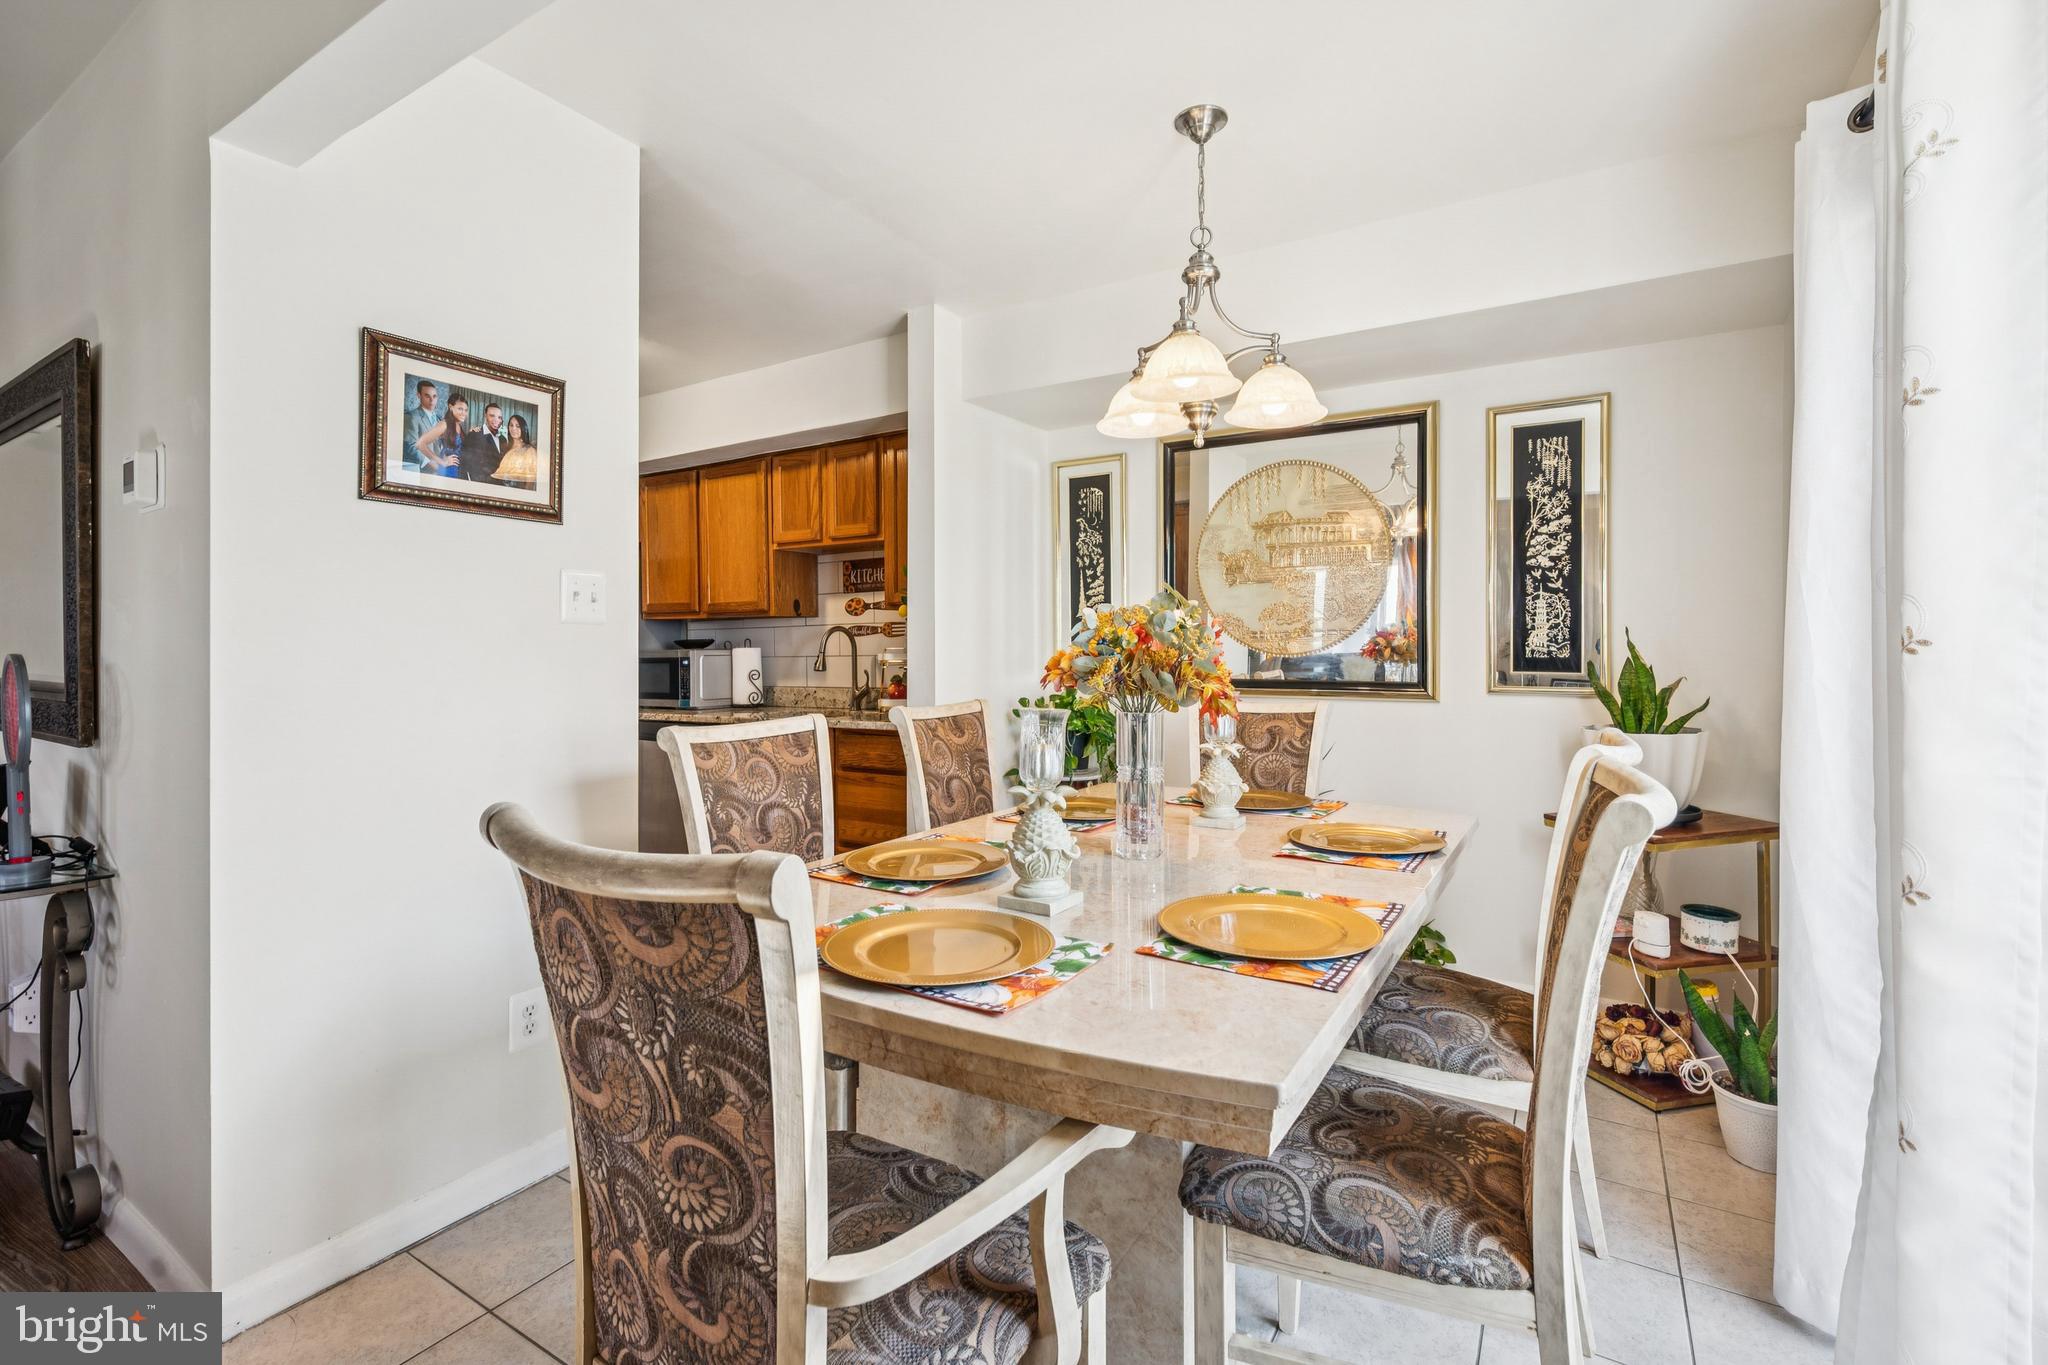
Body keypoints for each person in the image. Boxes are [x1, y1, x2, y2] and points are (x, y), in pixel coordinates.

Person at [410, 395, 468, 476]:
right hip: (448, 471)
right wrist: (442, 462)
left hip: (459, 472)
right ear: (451, 407)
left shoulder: (459, 426)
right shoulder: (444, 424)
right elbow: (420, 444)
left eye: (466, 410)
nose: (464, 413)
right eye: (460, 409)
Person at [460, 401, 508, 482]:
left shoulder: (503, 438)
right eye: (492, 416)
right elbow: (465, 465)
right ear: (485, 416)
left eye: (499, 417)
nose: (496, 420)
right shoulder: (474, 435)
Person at [494, 413, 540, 490]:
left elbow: (530, 482)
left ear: (523, 428)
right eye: (511, 425)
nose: (513, 429)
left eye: (517, 426)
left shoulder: (529, 451)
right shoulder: (504, 447)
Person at [402, 380, 440, 471]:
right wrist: (429, 463)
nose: (432, 400)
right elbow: (410, 446)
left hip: (441, 473)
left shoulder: (440, 419)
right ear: (419, 396)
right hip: (422, 471)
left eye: (434, 396)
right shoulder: (411, 416)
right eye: (427, 396)